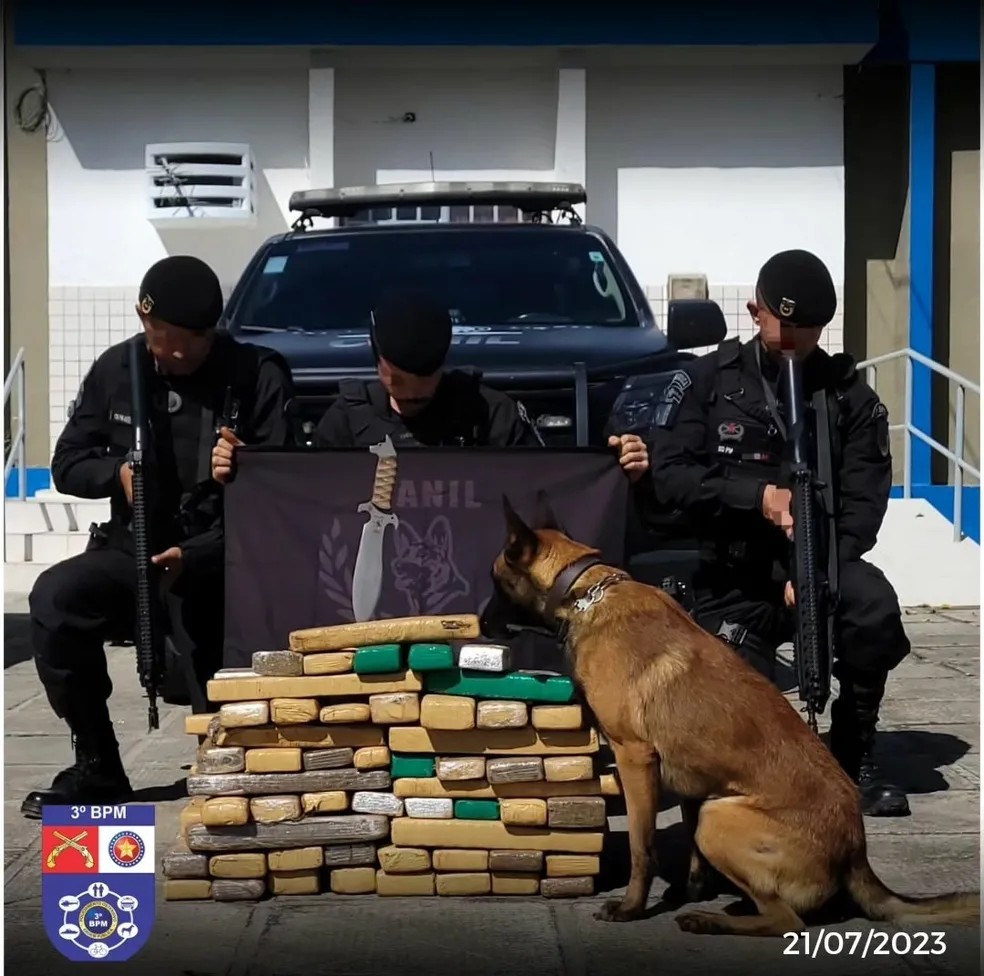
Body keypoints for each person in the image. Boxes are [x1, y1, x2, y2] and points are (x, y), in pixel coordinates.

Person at [22, 255, 295, 818]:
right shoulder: (119, 369)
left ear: (210, 333)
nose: (167, 354)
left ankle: (233, 759)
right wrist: (116, 473)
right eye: (156, 338)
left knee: (225, 763)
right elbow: (67, 463)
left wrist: (250, 466)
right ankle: (97, 762)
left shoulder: (257, 375)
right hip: (134, 551)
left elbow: (289, 486)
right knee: (56, 599)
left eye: (182, 345)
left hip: (220, 561)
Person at [647, 248, 911, 818]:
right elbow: (671, 477)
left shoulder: (846, 396)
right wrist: (757, 499)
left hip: (814, 568)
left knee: (874, 610)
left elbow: (866, 499)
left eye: (806, 330)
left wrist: (819, 564)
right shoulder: (704, 381)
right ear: (754, 311)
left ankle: (853, 753)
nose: (792, 340)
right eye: (780, 324)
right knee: (728, 709)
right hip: (731, 574)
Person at [212, 289, 649, 478]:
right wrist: (248, 469)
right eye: (398, 379)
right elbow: (301, 497)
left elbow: (549, 486)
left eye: (428, 379)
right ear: (375, 359)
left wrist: (614, 466)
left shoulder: (489, 413)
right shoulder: (346, 420)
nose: (414, 393)